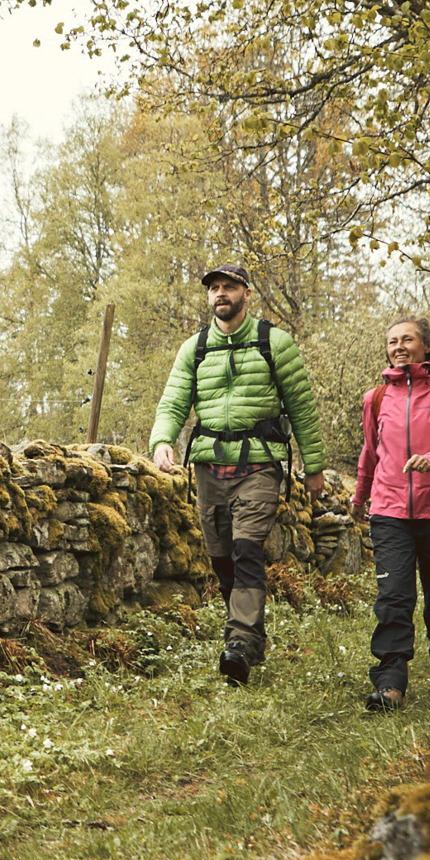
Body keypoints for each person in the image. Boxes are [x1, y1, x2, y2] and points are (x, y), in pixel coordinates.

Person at [148, 264, 326, 685]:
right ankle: (249, 636)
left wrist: (313, 466)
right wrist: (162, 441)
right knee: (222, 558)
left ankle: (240, 643)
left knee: (247, 549)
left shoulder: (274, 343)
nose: (220, 294)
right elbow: (173, 400)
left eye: (228, 287)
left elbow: (302, 407)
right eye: (214, 288)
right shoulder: (195, 348)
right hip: (210, 466)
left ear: (246, 293)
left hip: (260, 463)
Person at [347, 314, 430, 711]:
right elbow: (371, 452)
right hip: (389, 511)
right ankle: (390, 683)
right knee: (393, 597)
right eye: (391, 342)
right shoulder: (377, 398)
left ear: (426, 346)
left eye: (407, 340)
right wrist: (359, 497)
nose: (398, 347)